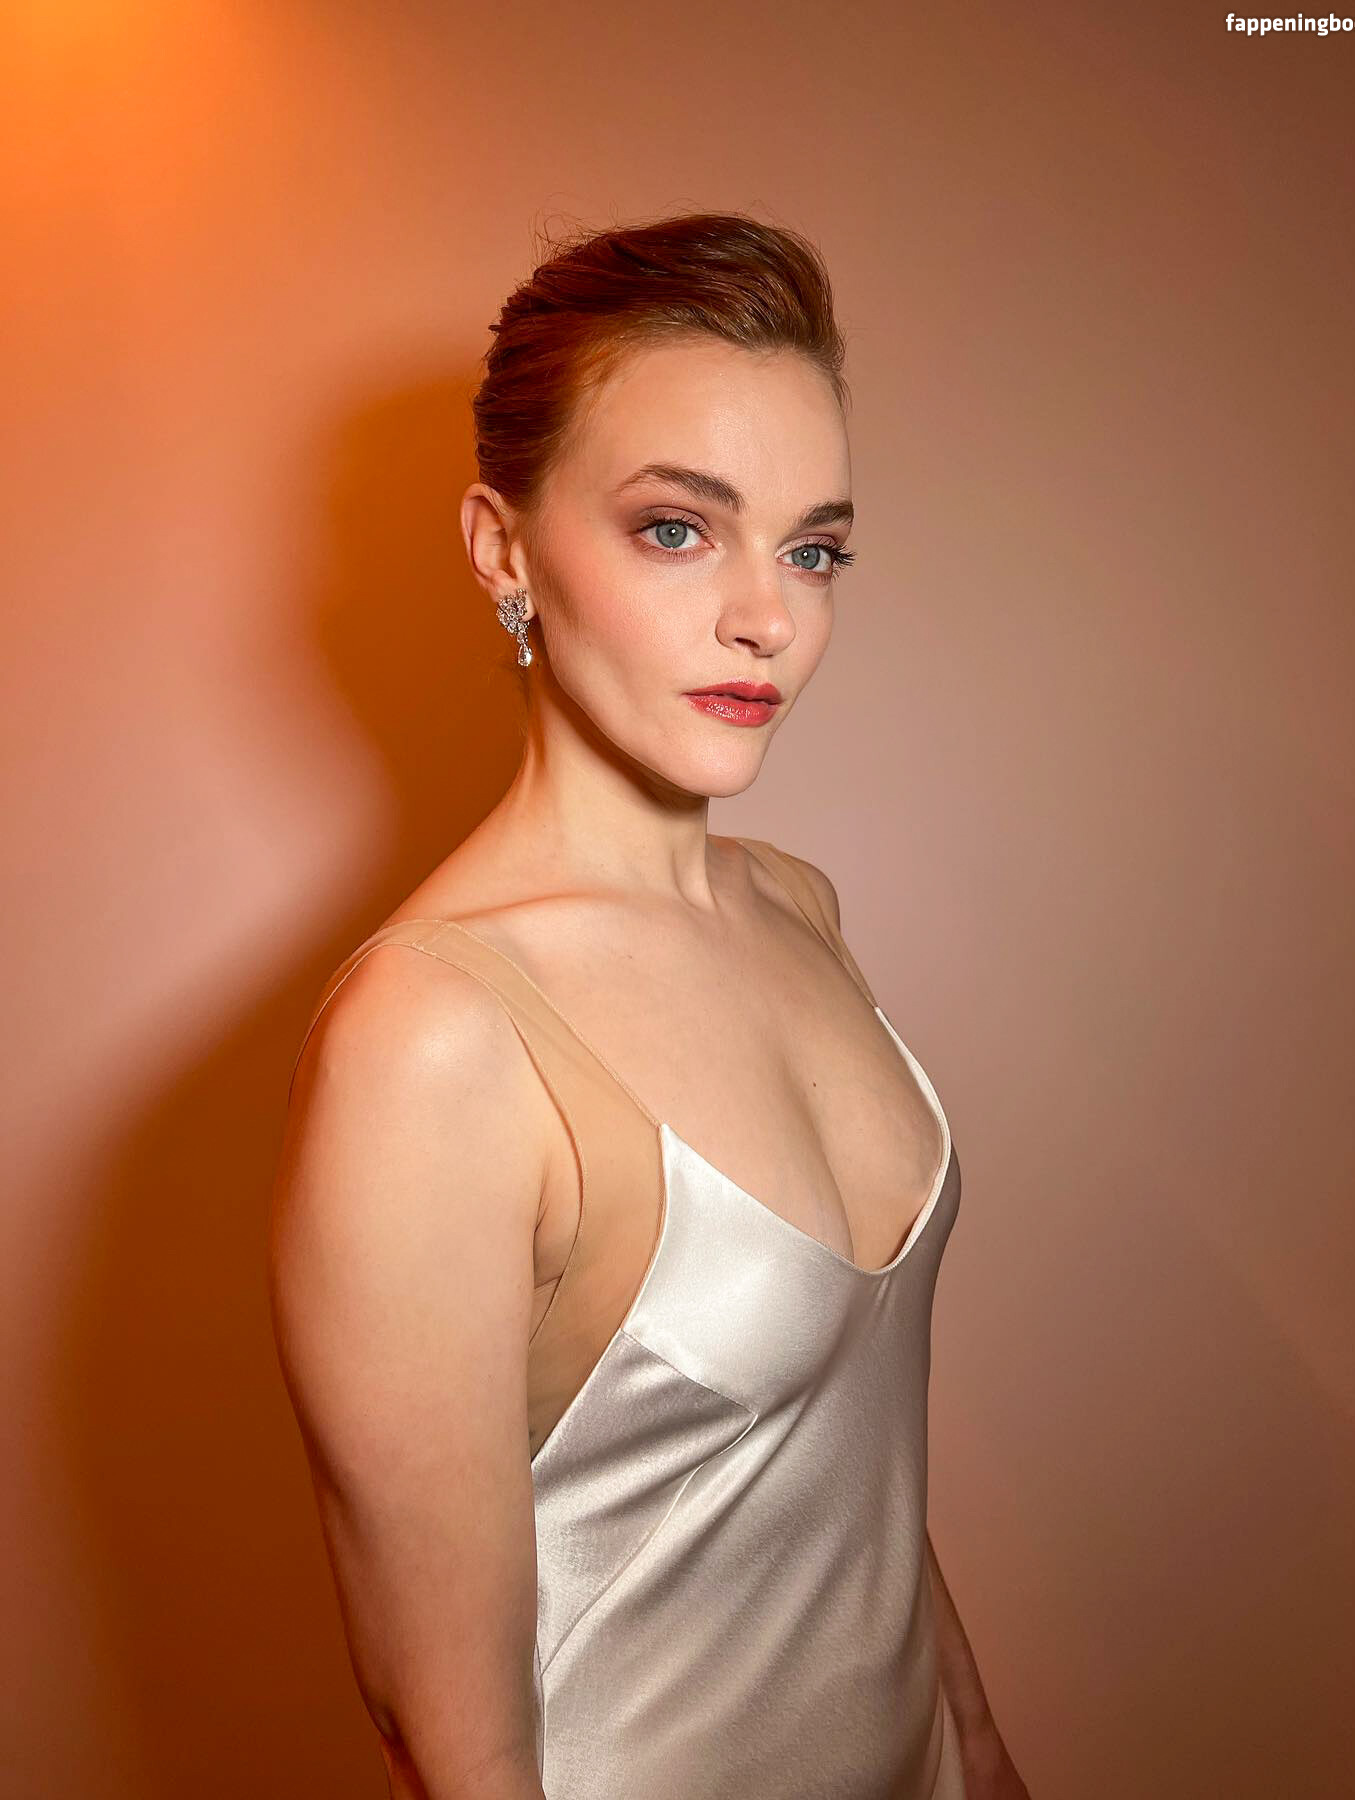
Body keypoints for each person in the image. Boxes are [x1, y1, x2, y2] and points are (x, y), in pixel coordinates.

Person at [269, 212, 1029, 1800]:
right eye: (679, 529)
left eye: (813, 549)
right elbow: (454, 1745)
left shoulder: (795, 906)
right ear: (503, 548)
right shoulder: (436, 1043)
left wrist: (984, 1756)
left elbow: (854, 1473)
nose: (770, 618)